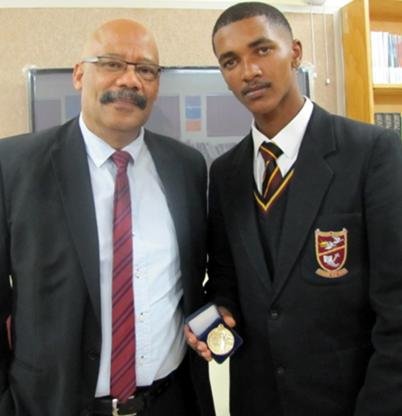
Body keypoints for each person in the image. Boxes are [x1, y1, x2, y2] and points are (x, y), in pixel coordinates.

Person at [186, 2, 402, 415]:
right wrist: (221, 309)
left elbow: (397, 308)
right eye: (230, 61)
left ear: (296, 52)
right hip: (255, 400)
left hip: (349, 401)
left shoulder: (371, 152)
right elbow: (226, 276)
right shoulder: (226, 172)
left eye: (262, 50)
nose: (249, 71)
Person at [0, 19, 215, 416]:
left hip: (170, 401)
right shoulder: (13, 166)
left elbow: (196, 277)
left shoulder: (187, 167)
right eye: (112, 63)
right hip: (52, 405)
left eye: (145, 70)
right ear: (79, 74)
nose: (130, 80)